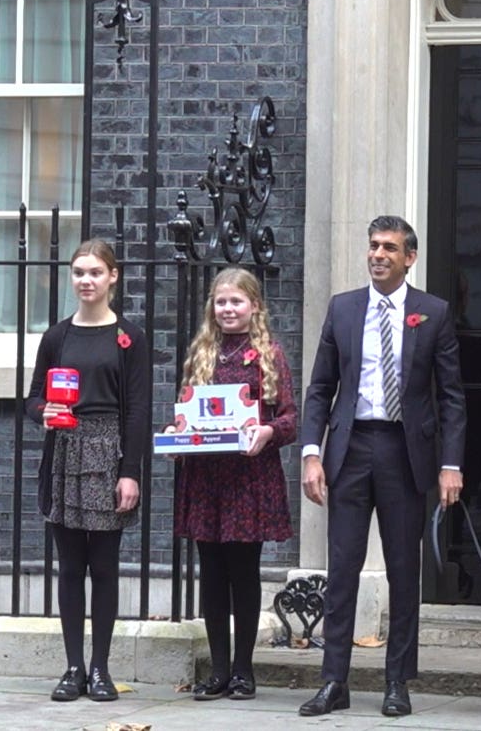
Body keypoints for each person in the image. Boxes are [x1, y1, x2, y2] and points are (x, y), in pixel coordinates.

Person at [297, 215, 467, 718]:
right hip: (349, 451)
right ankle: (334, 681)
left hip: (404, 452)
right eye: (373, 246)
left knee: (402, 571)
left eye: (389, 248)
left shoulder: (431, 312)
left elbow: (452, 397)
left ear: (409, 257)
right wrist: (311, 452)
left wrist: (451, 464)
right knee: (343, 569)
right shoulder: (344, 308)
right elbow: (320, 388)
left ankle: (398, 681)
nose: (378, 255)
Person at [26, 238, 150, 703]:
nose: (86, 280)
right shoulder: (57, 336)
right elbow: (32, 396)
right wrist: (44, 412)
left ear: (113, 277)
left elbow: (137, 409)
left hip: (108, 452)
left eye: (96, 272)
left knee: (103, 565)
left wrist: (130, 471)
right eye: (79, 272)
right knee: (70, 566)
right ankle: (73, 667)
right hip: (64, 449)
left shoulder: (128, 337)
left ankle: (100, 668)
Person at [172, 268, 298, 701]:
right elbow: (188, 413)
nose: (228, 309)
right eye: (221, 302)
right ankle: (218, 670)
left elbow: (290, 419)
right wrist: (179, 434)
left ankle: (244, 671)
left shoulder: (269, 354)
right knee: (211, 575)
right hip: (207, 478)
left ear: (254, 306)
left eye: (236, 302)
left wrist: (268, 433)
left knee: (243, 575)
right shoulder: (202, 352)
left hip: (249, 478)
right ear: (213, 307)